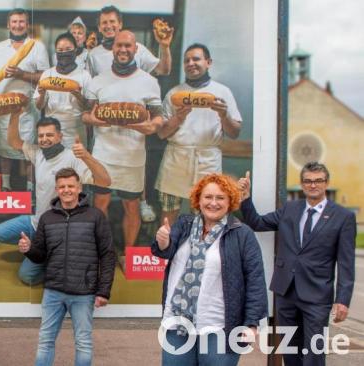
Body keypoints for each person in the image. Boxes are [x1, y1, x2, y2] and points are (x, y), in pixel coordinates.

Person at [238, 162, 356, 366]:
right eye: (308, 181)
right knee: (290, 350)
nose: (313, 185)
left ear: (326, 183)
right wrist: (246, 198)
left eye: (318, 180)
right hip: (286, 292)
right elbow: (257, 222)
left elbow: (346, 262)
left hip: (317, 295)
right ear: (302, 184)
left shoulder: (343, 217)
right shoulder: (290, 209)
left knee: (313, 353)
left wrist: (343, 299)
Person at [152, 174, 267, 365]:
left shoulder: (242, 234)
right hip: (178, 323)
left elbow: (255, 280)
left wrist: (251, 323)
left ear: (230, 201)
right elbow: (166, 251)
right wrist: (163, 242)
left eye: (220, 198)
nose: (213, 203)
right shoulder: (184, 224)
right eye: (208, 197)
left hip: (220, 327)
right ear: (198, 199)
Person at [0, 112, 110, 285]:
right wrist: (15, 115)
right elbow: (14, 142)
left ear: (60, 136)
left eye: (49, 135)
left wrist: (86, 155)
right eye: (41, 135)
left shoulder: (73, 157)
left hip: (59, 231)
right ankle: (40, 249)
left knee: (28, 277)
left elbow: (105, 181)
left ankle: (55, 257)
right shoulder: (38, 153)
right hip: (36, 222)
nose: (44, 139)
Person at [19, 168, 115, 366]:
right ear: (56, 189)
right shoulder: (47, 218)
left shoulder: (95, 216)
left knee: (83, 343)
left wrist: (103, 291)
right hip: (53, 292)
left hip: (83, 293)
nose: (66, 190)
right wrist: (28, 249)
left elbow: (107, 255)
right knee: (45, 342)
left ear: (79, 188)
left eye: (71, 186)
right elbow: (40, 256)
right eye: (62, 187)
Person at [83, 30, 163, 250]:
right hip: (103, 154)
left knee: (132, 206)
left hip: (132, 156)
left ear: (136, 49)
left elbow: (158, 116)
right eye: (119, 45)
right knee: (100, 205)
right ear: (113, 49)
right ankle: (101, 250)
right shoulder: (98, 81)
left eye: (128, 46)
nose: (123, 50)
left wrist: (151, 126)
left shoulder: (149, 81)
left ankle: (128, 254)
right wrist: (94, 120)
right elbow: (85, 114)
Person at [156, 43, 242, 227]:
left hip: (208, 160)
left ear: (208, 62)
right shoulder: (174, 94)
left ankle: (203, 254)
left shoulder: (222, 92)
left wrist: (224, 115)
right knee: (168, 214)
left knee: (206, 214)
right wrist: (178, 118)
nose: (190, 63)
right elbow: (161, 133)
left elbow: (234, 132)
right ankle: (166, 253)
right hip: (176, 159)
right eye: (187, 60)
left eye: (196, 59)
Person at [0, 8, 50, 192]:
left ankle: (30, 189)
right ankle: (5, 185)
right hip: (3, 107)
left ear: (27, 24)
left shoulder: (37, 47)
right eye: (14, 21)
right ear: (8, 24)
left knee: (29, 150)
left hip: (28, 108)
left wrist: (21, 74)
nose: (17, 25)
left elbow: (44, 77)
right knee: (3, 148)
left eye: (21, 21)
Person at [35, 32, 90, 148]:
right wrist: (41, 94)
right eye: (60, 50)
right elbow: (39, 106)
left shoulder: (84, 75)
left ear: (75, 50)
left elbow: (89, 107)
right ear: (55, 52)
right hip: (51, 132)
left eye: (68, 49)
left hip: (76, 132)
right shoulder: (47, 74)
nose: (64, 53)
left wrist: (79, 96)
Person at [86, 5, 172, 77]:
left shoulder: (137, 49)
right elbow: (89, 87)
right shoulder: (93, 55)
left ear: (120, 24)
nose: (108, 26)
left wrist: (165, 46)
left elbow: (164, 70)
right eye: (104, 22)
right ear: (99, 28)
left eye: (112, 21)